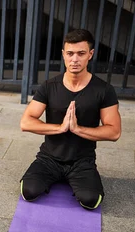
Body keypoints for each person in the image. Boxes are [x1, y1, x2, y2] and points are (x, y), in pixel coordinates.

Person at [19, 29, 121, 210]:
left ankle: (76, 179)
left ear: (90, 54)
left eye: (81, 53)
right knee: (29, 192)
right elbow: (26, 122)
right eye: (70, 53)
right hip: (49, 158)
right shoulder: (49, 86)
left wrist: (77, 129)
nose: (75, 59)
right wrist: (60, 128)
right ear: (63, 55)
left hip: (82, 161)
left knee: (91, 200)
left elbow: (114, 131)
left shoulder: (104, 90)